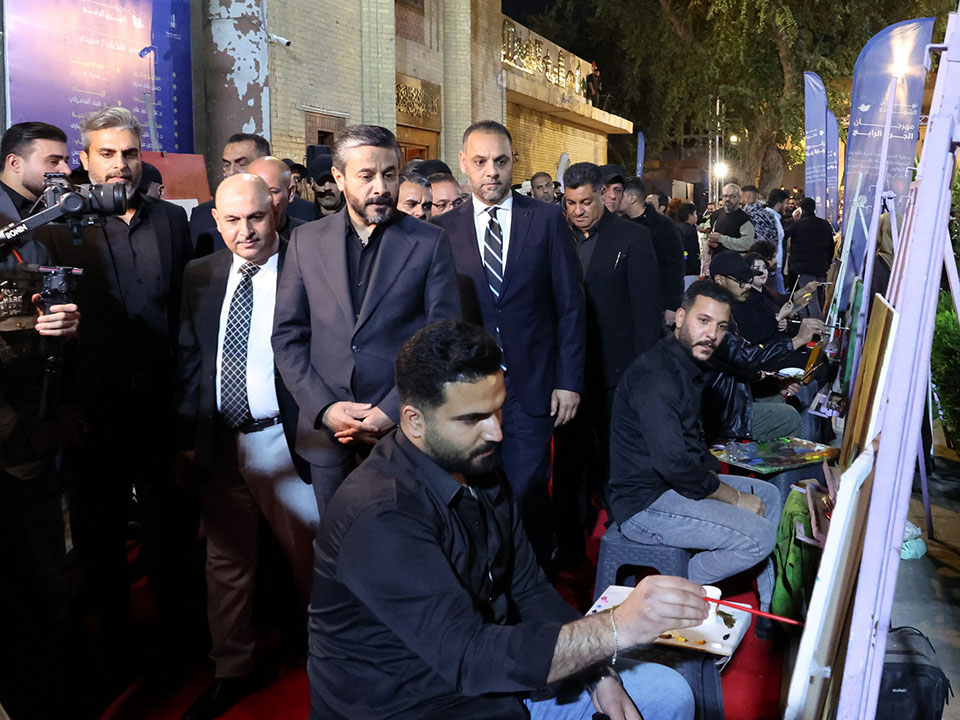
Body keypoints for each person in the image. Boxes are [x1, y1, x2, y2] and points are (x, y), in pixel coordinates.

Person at [309, 319, 701, 720]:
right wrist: (616, 629)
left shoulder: (478, 466)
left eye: (498, 410)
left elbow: (528, 589)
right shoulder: (381, 514)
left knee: (667, 693)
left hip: (492, 676)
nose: (496, 432)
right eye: (472, 418)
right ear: (413, 421)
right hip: (410, 704)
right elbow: (468, 658)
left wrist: (598, 672)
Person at [47, 106, 198, 667]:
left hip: (161, 402)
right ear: (85, 160)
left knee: (172, 528)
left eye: (129, 153)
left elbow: (185, 316)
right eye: (107, 153)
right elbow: (50, 325)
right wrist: (64, 402)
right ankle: (115, 647)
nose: (120, 164)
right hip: (93, 407)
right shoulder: (57, 226)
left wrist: (188, 407)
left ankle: (177, 642)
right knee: (100, 532)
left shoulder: (171, 221)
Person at [177, 174, 318, 720]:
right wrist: (189, 439)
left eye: (256, 217)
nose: (246, 231)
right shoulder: (201, 273)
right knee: (225, 562)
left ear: (275, 211)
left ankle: (329, 657)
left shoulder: (307, 266)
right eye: (232, 220)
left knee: (312, 557)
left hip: (287, 440)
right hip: (220, 441)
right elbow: (191, 361)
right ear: (215, 220)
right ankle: (231, 668)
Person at [272, 125, 461, 513]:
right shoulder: (307, 241)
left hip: (404, 434)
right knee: (336, 544)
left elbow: (442, 341)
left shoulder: (429, 243)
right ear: (339, 178)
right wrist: (325, 408)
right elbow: (287, 336)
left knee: (405, 542)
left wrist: (390, 411)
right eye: (367, 176)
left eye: (390, 174)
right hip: (328, 438)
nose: (381, 187)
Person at [432, 120, 586, 566]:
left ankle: (534, 576)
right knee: (476, 488)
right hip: (469, 388)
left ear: (513, 162)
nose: (492, 172)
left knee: (528, 488)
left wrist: (569, 381)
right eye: (481, 162)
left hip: (533, 385)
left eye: (500, 161)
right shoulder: (441, 231)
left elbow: (570, 307)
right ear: (464, 163)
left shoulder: (546, 220)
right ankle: (487, 577)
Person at [607, 280, 782, 617]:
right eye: (703, 321)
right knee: (759, 537)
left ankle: (768, 606)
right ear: (680, 318)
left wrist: (726, 488)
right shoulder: (657, 377)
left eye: (721, 326)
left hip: (672, 486)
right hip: (645, 503)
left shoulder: (687, 365)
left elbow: (690, 446)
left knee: (769, 496)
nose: (712, 334)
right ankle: (673, 589)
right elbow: (673, 463)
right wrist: (734, 498)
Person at [0, 121, 85, 719]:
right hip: (11, 433)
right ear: (13, 163)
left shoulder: (40, 231)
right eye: (52, 161)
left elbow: (41, 321)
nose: (63, 171)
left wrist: (60, 327)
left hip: (33, 429)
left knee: (41, 575)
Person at [553, 162, 661, 566]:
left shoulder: (633, 237)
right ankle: (568, 548)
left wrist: (643, 376)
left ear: (603, 195)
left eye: (585, 202)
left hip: (617, 373)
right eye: (570, 203)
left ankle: (621, 542)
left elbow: (646, 313)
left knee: (618, 462)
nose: (578, 210)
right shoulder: (555, 235)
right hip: (568, 373)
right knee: (569, 463)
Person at [704, 252, 824, 442]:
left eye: (748, 280)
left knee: (785, 395)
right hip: (720, 410)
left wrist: (773, 383)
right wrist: (796, 340)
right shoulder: (713, 315)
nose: (747, 286)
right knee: (789, 417)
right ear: (719, 280)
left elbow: (738, 363)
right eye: (741, 281)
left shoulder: (730, 307)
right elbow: (745, 356)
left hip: (732, 393)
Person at [191, 133, 271, 256]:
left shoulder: (298, 213)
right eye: (227, 165)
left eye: (241, 163)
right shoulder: (201, 216)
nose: (232, 172)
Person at [621, 177, 684, 319]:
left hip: (655, 305)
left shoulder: (664, 226)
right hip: (625, 306)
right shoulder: (619, 225)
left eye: (620, 193)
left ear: (632, 198)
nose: (614, 197)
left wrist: (672, 306)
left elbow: (675, 267)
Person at [784, 197, 835, 318]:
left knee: (809, 297)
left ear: (802, 209)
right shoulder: (824, 224)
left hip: (803, 267)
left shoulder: (797, 225)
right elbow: (831, 245)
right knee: (819, 297)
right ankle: (814, 322)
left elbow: (783, 235)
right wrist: (828, 262)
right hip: (821, 267)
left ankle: (814, 325)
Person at [247, 155, 305, 241]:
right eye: (256, 191)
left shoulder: (308, 238)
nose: (264, 200)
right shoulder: (232, 239)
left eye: (273, 192)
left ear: (290, 193)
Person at [704, 183, 754, 255]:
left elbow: (747, 244)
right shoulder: (716, 214)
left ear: (739, 198)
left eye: (732, 196)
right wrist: (710, 242)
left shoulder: (744, 219)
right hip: (717, 259)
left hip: (735, 260)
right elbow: (712, 234)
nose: (727, 199)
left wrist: (722, 239)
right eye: (725, 196)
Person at [669, 200, 701, 288]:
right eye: (695, 214)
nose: (696, 216)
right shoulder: (690, 230)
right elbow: (694, 252)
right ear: (690, 215)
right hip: (689, 271)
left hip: (677, 269)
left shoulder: (675, 227)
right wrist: (697, 270)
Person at [308, 152, 344, 219]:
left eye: (332, 180)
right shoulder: (302, 219)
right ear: (312, 183)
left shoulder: (356, 219)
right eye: (321, 181)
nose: (327, 188)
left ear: (341, 181)